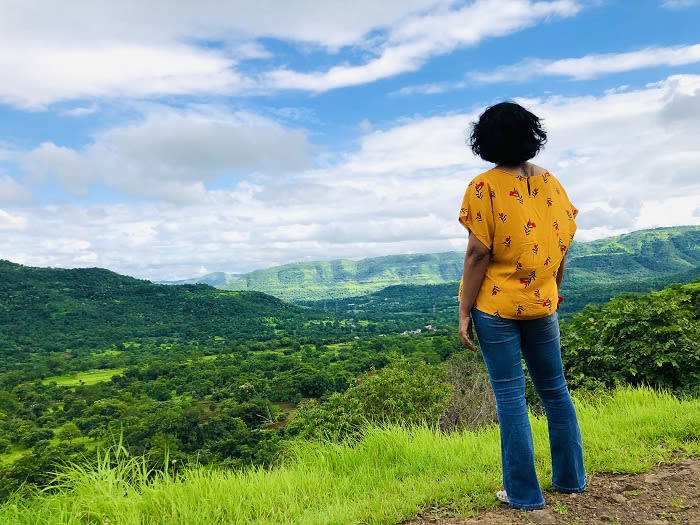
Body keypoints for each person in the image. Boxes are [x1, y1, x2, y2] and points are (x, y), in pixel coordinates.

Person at [457, 101, 586, 510]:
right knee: (556, 392)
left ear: (487, 141)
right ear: (532, 135)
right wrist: (553, 289)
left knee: (511, 398)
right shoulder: (552, 183)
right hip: (543, 304)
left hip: (496, 308)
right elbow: (562, 241)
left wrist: (463, 310)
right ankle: (571, 479)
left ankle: (523, 494)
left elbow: (478, 254)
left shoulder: (484, 186)